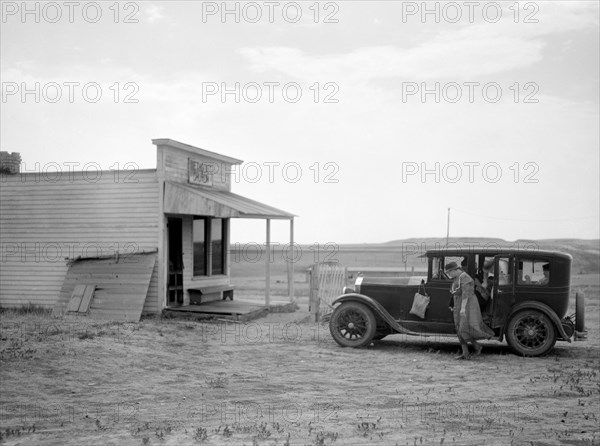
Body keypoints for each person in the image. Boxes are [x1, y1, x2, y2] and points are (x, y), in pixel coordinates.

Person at [445, 261, 495, 360]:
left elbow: (466, 294)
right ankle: (466, 352)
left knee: (464, 328)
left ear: (455, 270)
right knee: (459, 328)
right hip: (458, 304)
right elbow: (456, 293)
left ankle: (475, 346)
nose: (449, 275)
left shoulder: (465, 278)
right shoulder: (457, 278)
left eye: (449, 272)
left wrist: (463, 308)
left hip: (468, 305)